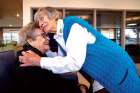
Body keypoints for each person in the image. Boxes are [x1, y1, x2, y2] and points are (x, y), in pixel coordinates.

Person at [19, 7, 140, 93]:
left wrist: (39, 61)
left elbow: (74, 62)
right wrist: (40, 53)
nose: (40, 23)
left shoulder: (72, 25)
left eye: (41, 18)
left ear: (55, 16)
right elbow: (61, 59)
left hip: (114, 67)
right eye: (37, 21)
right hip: (100, 72)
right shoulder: (59, 37)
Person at [15, 22, 81, 93]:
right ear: (30, 40)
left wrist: (78, 87)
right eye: (43, 36)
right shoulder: (27, 59)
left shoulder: (39, 55)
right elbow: (48, 87)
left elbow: (52, 81)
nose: (48, 38)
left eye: (47, 35)